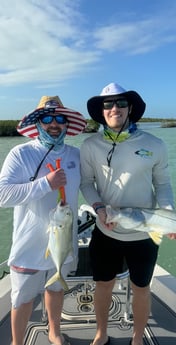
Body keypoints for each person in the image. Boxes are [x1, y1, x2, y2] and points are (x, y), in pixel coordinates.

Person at [80, 83, 176, 345]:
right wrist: (99, 207)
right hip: (106, 229)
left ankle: (137, 338)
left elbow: (163, 185)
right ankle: (101, 334)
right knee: (103, 285)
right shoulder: (90, 145)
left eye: (121, 103)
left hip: (146, 231)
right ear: (101, 111)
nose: (114, 108)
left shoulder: (155, 144)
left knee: (142, 288)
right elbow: (85, 183)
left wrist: (169, 214)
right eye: (108, 104)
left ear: (131, 108)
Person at [0, 96, 86, 345]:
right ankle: (17, 342)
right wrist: (45, 183)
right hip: (30, 244)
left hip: (63, 239)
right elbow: (3, 195)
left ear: (67, 124)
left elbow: (91, 186)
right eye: (47, 118)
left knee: (56, 288)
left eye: (60, 118)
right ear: (37, 123)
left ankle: (54, 331)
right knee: (23, 298)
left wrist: (104, 206)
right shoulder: (21, 154)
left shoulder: (76, 155)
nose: (54, 124)